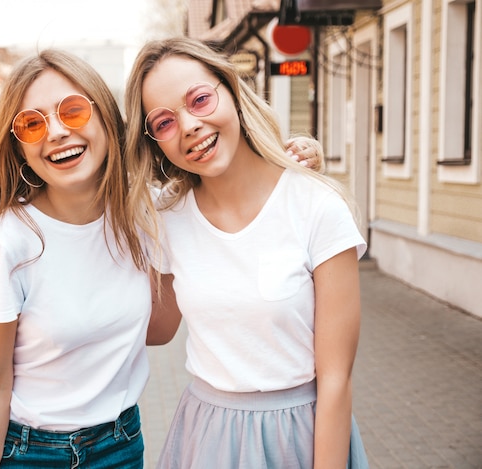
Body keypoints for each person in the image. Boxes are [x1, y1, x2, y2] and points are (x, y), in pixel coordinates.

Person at [124, 37, 369, 468]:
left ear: (232, 93)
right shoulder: (166, 218)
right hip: (206, 435)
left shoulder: (314, 205)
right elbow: (155, 329)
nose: (189, 126)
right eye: (163, 122)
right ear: (154, 142)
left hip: (300, 434)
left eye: (199, 100)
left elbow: (336, 380)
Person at [0, 49, 150, 468]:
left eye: (73, 111)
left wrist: (290, 162)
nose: (57, 132)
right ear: (18, 147)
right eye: (32, 123)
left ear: (106, 118)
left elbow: (162, 332)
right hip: (33, 455)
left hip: (122, 444)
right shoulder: (7, 243)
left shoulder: (142, 215)